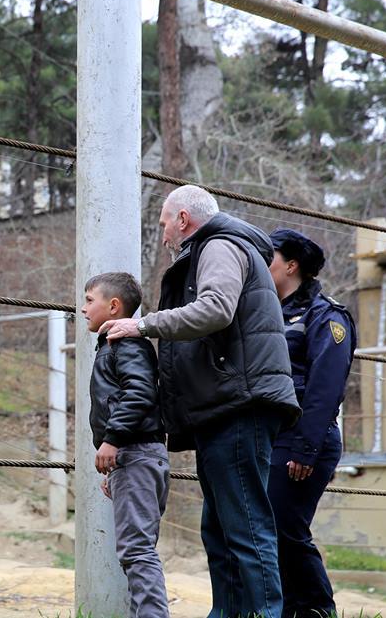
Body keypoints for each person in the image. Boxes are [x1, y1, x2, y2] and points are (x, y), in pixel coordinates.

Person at [102, 185, 301, 618]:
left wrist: (142, 327)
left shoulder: (219, 246)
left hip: (239, 405)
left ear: (183, 220)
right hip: (225, 406)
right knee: (220, 529)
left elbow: (216, 308)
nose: (163, 236)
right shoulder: (216, 248)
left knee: (246, 526)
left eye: (163, 226)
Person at [266, 228, 356, 617]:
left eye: (268, 257)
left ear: (291, 264)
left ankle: (318, 609)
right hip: (273, 435)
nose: (260, 264)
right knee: (271, 528)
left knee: (286, 527)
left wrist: (306, 447)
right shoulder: (267, 312)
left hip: (306, 438)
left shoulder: (327, 316)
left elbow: (325, 387)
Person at [82, 271, 169, 617]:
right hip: (134, 457)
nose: (84, 308)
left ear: (114, 306)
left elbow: (140, 393)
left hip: (135, 452)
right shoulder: (114, 346)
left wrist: (113, 440)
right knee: (136, 549)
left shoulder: (126, 344)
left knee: (137, 551)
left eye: (90, 300)